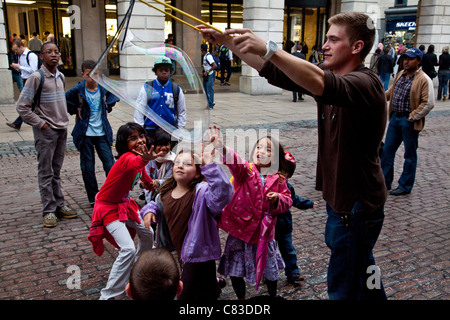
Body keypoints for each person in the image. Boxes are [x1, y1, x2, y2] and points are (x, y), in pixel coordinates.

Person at [199, 11, 388, 300]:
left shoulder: (365, 83)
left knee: (342, 283)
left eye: (333, 40)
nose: (324, 45)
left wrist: (270, 48)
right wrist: (231, 44)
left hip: (357, 205)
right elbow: (276, 72)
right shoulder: (330, 80)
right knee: (363, 266)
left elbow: (319, 81)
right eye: (325, 38)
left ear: (357, 47)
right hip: (344, 202)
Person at [140, 141, 233, 301]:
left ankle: (211, 289)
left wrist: (209, 166)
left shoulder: (202, 193)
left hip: (200, 252)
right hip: (178, 249)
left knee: (184, 293)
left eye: (187, 164)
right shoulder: (166, 192)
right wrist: (149, 211)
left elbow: (223, 193)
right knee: (206, 285)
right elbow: (155, 203)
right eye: (177, 162)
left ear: (197, 173)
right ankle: (214, 288)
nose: (180, 166)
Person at [210, 127, 292, 300]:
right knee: (235, 268)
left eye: (268, 149)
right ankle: (241, 299)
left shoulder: (279, 180)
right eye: (259, 147)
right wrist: (222, 147)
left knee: (269, 268)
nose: (261, 151)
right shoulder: (246, 171)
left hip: (264, 235)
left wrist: (277, 198)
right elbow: (235, 161)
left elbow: (288, 200)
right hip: (241, 231)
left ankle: (272, 295)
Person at [88, 122, 163, 300]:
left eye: (141, 136)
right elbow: (135, 163)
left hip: (124, 204)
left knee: (147, 232)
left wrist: (149, 183)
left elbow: (143, 176)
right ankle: (107, 295)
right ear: (123, 144)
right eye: (132, 138)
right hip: (107, 208)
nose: (139, 141)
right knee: (128, 249)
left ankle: (137, 270)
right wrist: (145, 159)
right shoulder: (126, 158)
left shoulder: (137, 160)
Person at [16, 42, 77, 228]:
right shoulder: (36, 77)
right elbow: (21, 107)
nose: (54, 55)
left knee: (56, 171)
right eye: (49, 52)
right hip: (46, 132)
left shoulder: (61, 77)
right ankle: (48, 210)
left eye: (56, 52)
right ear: (41, 56)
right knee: (46, 172)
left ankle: (59, 205)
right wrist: (42, 124)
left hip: (61, 130)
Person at [66, 60, 120, 207]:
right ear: (83, 75)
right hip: (85, 133)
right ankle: (93, 196)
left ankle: (113, 192)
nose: (92, 78)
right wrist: (76, 108)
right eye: (89, 75)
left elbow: (113, 98)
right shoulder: (78, 89)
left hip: (102, 132)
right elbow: (66, 100)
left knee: (110, 164)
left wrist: (107, 107)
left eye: (95, 74)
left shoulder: (103, 88)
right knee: (88, 166)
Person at [381, 48, 435, 196]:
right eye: (405, 58)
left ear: (418, 61)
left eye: (410, 59)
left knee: (409, 155)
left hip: (408, 121)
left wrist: (412, 117)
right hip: (395, 119)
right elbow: (390, 93)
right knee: (387, 152)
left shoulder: (423, 79)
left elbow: (428, 103)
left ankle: (405, 186)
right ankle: (384, 182)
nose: (406, 61)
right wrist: (375, 96)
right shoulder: (400, 75)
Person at [276, 151, 317, 284]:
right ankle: (267, 274)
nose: (281, 174)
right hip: (268, 227)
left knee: (288, 250)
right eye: (278, 170)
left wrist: (308, 203)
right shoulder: (265, 184)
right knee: (268, 252)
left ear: (289, 175)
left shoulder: (287, 187)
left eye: (285, 172)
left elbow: (294, 200)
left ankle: (293, 272)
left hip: (284, 226)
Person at [134, 56, 186, 139]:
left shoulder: (176, 89)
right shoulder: (147, 87)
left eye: (166, 70)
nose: (164, 73)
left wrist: (180, 130)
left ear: (171, 72)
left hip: (169, 131)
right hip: (150, 131)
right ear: (155, 72)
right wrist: (140, 131)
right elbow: (139, 109)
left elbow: (181, 112)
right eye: (160, 70)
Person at [7, 38, 39, 130]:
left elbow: (33, 70)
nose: (16, 52)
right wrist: (16, 67)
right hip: (25, 80)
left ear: (21, 47)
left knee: (25, 104)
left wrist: (20, 66)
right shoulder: (20, 56)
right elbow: (23, 70)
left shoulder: (31, 55)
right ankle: (20, 122)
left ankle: (20, 122)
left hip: (32, 81)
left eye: (16, 49)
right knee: (28, 104)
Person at [142, 128, 175, 204]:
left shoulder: (173, 160)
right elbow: (145, 175)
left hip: (166, 190)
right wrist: (149, 183)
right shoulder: (149, 158)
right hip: (150, 188)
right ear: (154, 146)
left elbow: (169, 180)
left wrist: (157, 182)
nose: (163, 148)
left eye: (166, 144)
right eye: (160, 145)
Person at [201, 43, 218, 109]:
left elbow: (215, 65)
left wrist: (207, 72)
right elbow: (206, 65)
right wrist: (203, 71)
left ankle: (211, 104)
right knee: (206, 89)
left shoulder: (208, 56)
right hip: (206, 75)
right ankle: (210, 102)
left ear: (202, 49)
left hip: (210, 74)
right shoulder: (205, 56)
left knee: (209, 89)